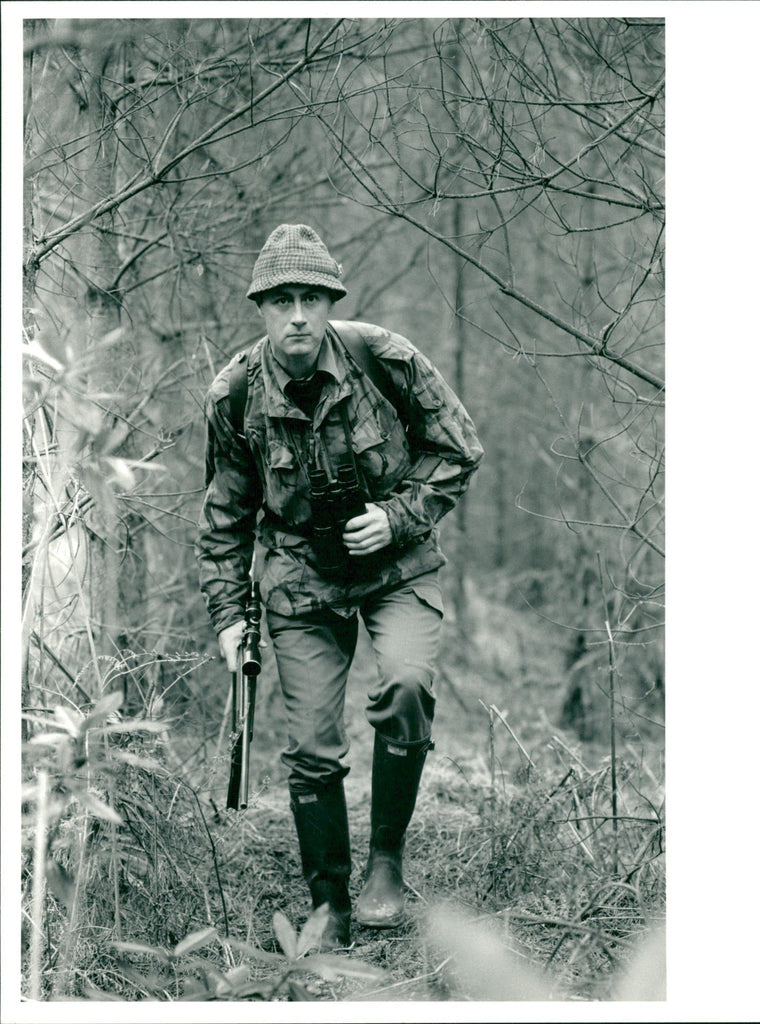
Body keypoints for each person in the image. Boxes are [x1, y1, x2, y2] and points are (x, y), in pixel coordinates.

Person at [196, 223, 483, 950]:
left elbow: (459, 449)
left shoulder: (384, 359)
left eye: (312, 299)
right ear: (261, 308)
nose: (298, 315)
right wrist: (229, 615)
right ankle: (329, 902)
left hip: (396, 565)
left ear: (331, 302)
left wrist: (398, 517)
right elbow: (225, 515)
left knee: (407, 685)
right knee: (312, 747)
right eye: (282, 300)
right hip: (299, 577)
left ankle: (386, 865)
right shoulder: (235, 394)